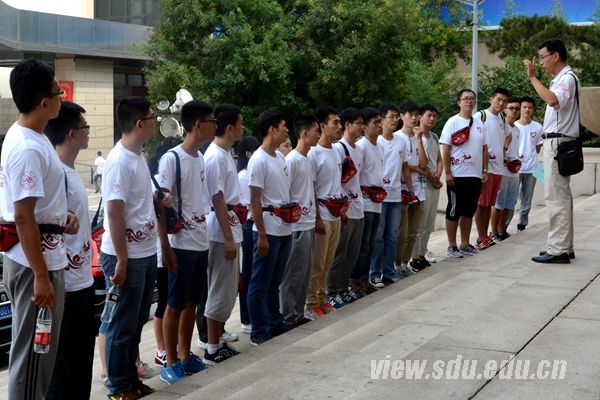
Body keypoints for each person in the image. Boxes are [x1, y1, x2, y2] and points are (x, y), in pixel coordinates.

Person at [0, 58, 77, 400]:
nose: (62, 97)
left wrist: (64, 217)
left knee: (39, 354)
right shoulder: (27, 147)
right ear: (44, 102)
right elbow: (22, 216)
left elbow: (38, 207)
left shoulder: (35, 137)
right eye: (58, 93)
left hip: (44, 255)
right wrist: (41, 276)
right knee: (34, 355)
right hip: (34, 264)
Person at [100, 97, 159, 399]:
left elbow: (139, 201)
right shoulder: (119, 160)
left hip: (146, 252)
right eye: (152, 117)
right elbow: (114, 211)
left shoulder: (139, 156)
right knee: (121, 325)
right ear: (139, 124)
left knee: (136, 324)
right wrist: (122, 259)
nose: (155, 122)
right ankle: (118, 387)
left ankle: (131, 380)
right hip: (126, 256)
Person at [157, 100, 214, 384]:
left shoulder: (200, 158)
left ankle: (184, 354)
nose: (215, 126)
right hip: (180, 243)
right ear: (197, 125)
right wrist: (165, 247)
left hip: (200, 241)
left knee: (192, 302)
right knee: (175, 303)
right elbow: (160, 204)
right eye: (211, 121)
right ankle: (169, 362)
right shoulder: (172, 159)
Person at [45, 102, 96, 400]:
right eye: (84, 127)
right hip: (68, 285)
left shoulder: (70, 171)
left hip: (82, 280)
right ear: (71, 134)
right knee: (67, 365)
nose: (88, 132)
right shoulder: (56, 175)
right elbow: (49, 233)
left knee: (79, 361)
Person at [525, 38, 579, 264]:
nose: (541, 62)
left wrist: (533, 78)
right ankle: (565, 246)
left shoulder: (566, 78)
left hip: (558, 143)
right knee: (560, 196)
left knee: (556, 196)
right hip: (558, 142)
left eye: (543, 57)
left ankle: (558, 249)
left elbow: (552, 100)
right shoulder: (563, 78)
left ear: (555, 56)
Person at [202, 104, 245, 364]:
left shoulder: (225, 153)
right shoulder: (215, 156)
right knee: (219, 288)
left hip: (229, 223)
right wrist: (228, 237)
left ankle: (217, 341)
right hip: (220, 229)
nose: (243, 128)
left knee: (228, 289)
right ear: (230, 127)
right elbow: (217, 198)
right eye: (240, 123)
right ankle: (212, 347)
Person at [247, 109, 293, 345]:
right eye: (283, 126)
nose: (287, 130)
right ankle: (258, 329)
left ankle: (275, 322)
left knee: (275, 281)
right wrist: (262, 235)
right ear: (272, 130)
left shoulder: (280, 158)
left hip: (284, 228)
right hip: (268, 230)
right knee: (260, 283)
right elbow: (255, 200)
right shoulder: (258, 160)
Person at [280, 115, 320, 326]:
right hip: (297, 225)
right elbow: (285, 193)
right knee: (294, 272)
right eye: (316, 130)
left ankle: (298, 311)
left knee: (305, 272)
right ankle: (289, 315)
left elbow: (311, 190)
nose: (318, 134)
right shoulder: (292, 160)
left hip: (309, 222)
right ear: (304, 133)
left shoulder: (307, 159)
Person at [440, 89, 488, 258]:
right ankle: (452, 246)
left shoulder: (479, 124)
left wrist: (485, 170)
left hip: (474, 175)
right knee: (454, 211)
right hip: (457, 175)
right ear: (459, 102)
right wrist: (447, 173)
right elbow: (446, 148)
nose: (469, 101)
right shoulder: (452, 122)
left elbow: (484, 148)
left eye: (472, 98)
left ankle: (465, 244)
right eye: (466, 98)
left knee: (469, 211)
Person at [305, 108, 343, 319]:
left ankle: (322, 298)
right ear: (322, 126)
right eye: (335, 122)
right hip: (322, 214)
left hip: (336, 213)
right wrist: (317, 218)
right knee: (317, 263)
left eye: (339, 123)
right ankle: (311, 303)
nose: (339, 127)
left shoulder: (337, 151)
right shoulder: (313, 154)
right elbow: (311, 188)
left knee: (328, 261)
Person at [327, 108, 365, 307]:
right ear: (348, 125)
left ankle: (343, 288)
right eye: (358, 123)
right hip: (344, 210)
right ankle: (333, 291)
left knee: (352, 254)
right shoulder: (339, 149)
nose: (361, 127)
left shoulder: (358, 149)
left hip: (358, 207)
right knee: (339, 254)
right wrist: (341, 208)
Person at [368, 104, 408, 286]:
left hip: (396, 195)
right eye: (391, 116)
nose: (395, 120)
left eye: (397, 116)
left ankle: (389, 272)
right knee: (377, 236)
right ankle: (374, 272)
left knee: (392, 235)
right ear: (382, 119)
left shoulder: (401, 141)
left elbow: (404, 166)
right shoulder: (376, 142)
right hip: (379, 196)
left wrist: (409, 189)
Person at [473, 88, 512, 250]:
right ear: (491, 99)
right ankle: (481, 237)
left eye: (504, 101)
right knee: (481, 203)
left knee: (489, 203)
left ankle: (486, 236)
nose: (501, 103)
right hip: (485, 168)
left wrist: (504, 148)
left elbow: (508, 134)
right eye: (498, 99)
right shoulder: (480, 116)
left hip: (498, 169)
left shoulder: (502, 117)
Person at [351, 107, 384, 295]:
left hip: (377, 202)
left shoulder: (378, 146)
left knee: (372, 244)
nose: (379, 126)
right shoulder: (361, 146)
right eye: (375, 122)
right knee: (362, 245)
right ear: (364, 126)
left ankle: (365, 279)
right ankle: (355, 281)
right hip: (365, 202)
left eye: (380, 122)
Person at [394, 101, 427, 276]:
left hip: (419, 189)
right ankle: (397, 264)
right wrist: (415, 168)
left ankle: (405, 263)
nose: (414, 118)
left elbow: (424, 163)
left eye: (416, 115)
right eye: (410, 115)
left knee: (414, 231)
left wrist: (419, 139)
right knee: (402, 232)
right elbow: (401, 165)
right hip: (402, 190)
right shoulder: (396, 137)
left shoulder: (419, 137)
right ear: (402, 116)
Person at [411, 104, 443, 269]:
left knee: (429, 222)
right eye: (429, 115)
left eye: (434, 116)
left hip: (434, 183)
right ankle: (414, 257)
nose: (432, 119)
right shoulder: (415, 136)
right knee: (420, 223)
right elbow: (419, 163)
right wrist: (432, 177)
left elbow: (439, 158)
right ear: (420, 117)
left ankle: (422, 254)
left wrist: (438, 174)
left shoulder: (435, 137)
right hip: (422, 184)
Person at [236, 135, 260, 335]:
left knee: (253, 271)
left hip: (252, 223)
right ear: (248, 154)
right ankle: (246, 318)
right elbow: (251, 203)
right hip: (248, 224)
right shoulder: (244, 176)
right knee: (249, 272)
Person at [490, 99, 521, 241]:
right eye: (511, 108)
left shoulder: (517, 129)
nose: (514, 111)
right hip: (501, 169)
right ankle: (493, 232)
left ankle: (502, 230)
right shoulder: (500, 126)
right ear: (505, 110)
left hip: (515, 171)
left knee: (510, 203)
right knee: (498, 204)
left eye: (517, 108)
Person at [514, 96, 543, 232]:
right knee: (511, 198)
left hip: (532, 168)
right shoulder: (513, 126)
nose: (527, 110)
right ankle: (503, 226)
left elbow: (538, 148)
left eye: (530, 107)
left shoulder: (538, 127)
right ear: (520, 108)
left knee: (527, 198)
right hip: (515, 168)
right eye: (524, 107)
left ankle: (522, 224)